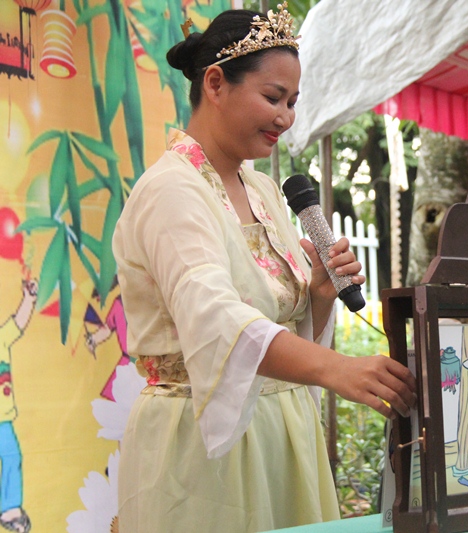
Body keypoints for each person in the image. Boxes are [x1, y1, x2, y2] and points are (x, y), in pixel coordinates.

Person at [112, 6, 415, 532]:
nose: (286, 117)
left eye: (292, 102)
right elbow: (215, 319)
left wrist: (318, 293)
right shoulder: (171, 190)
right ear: (215, 83)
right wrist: (336, 368)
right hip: (202, 446)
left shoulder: (263, 190)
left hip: (285, 430)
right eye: (273, 97)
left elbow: (282, 323)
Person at [0, 279, 36, 533]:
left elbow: (18, 323)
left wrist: (29, 299)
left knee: (12, 456)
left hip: (3, 420)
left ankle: (10, 508)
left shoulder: (1, 339)